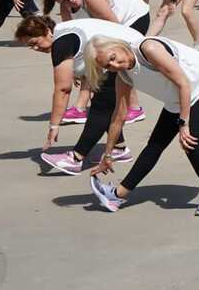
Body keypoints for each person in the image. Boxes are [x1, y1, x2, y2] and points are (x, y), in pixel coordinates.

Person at [83, 35, 199, 216]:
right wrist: (107, 155)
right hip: (177, 96)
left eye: (113, 58)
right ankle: (118, 195)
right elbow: (119, 115)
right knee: (154, 145)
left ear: (118, 46)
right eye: (107, 66)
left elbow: (183, 83)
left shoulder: (149, 50)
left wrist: (183, 125)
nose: (114, 66)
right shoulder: (123, 75)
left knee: (190, 141)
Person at [14, 14, 141, 175]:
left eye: (35, 43)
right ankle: (119, 148)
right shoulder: (63, 34)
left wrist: (54, 125)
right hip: (125, 50)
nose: (36, 49)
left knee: (101, 106)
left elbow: (63, 89)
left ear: (47, 31)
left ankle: (75, 159)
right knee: (105, 103)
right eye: (30, 46)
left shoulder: (61, 42)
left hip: (126, 54)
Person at [42, 0, 151, 126]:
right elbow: (73, 39)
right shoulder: (65, 8)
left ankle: (134, 108)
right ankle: (80, 108)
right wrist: (74, 69)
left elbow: (118, 30)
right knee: (92, 59)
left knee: (112, 63)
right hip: (110, 24)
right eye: (65, 0)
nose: (71, 0)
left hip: (133, 18)